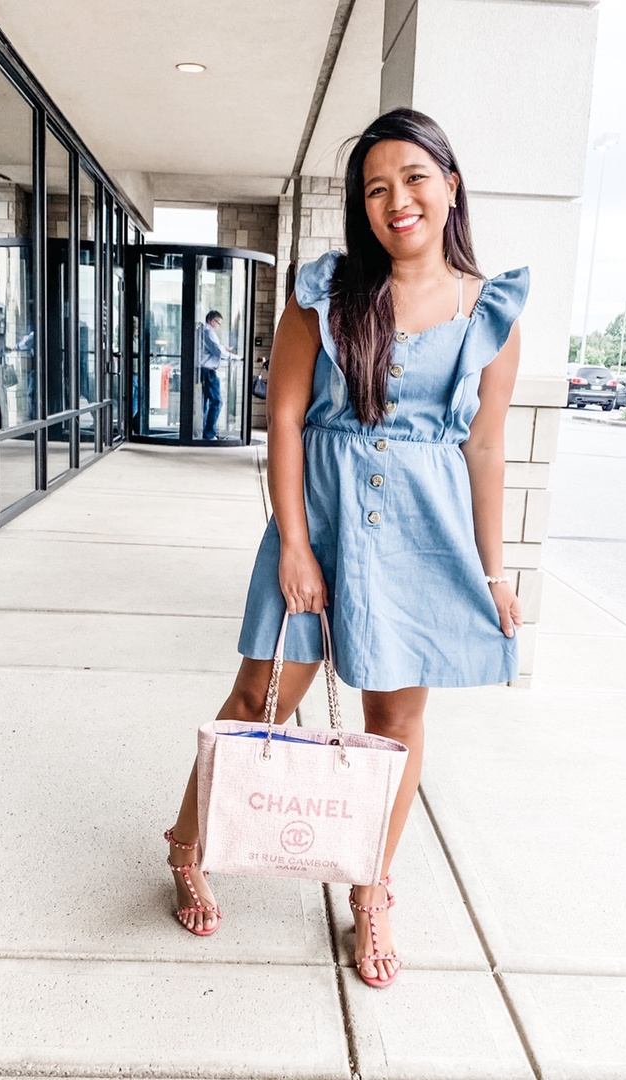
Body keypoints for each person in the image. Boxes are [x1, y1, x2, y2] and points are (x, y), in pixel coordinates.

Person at [164, 108, 528, 990]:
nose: (396, 200)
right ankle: (187, 843)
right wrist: (294, 543)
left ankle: (372, 893)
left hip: (422, 537)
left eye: (412, 178)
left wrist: (492, 569)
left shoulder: (492, 312)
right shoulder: (326, 293)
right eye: (375, 188)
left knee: (396, 727)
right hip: (321, 519)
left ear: (449, 187)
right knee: (260, 697)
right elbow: (283, 419)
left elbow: (484, 447)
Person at [199, 310, 238, 440]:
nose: (218, 326)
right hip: (208, 371)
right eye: (218, 323)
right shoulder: (209, 332)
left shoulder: (201, 331)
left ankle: (202, 431)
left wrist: (222, 348)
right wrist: (234, 357)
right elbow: (218, 352)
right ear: (212, 321)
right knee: (217, 401)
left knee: (204, 403)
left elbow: (212, 348)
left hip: (201, 370)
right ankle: (209, 434)